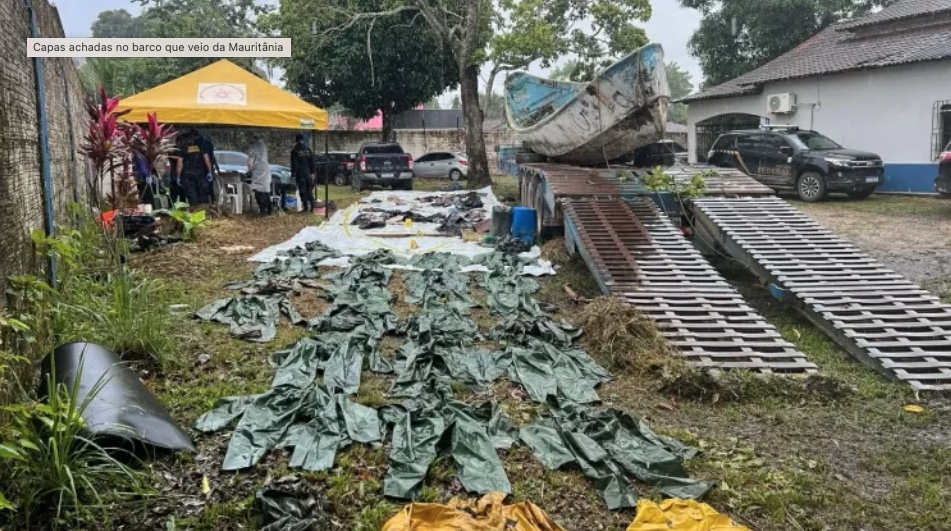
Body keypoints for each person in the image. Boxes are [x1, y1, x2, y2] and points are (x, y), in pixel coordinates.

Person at [174, 130, 213, 205]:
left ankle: (195, 211)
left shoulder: (183, 147)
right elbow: (207, 160)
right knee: (202, 196)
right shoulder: (201, 146)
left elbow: (179, 163)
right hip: (200, 174)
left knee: (192, 197)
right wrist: (209, 172)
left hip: (187, 176)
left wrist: (178, 176)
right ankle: (203, 212)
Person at [290, 133, 315, 213]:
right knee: (309, 189)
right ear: (302, 140)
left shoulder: (295, 151)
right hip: (308, 173)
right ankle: (312, 204)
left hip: (300, 174)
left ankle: (305, 207)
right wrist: (313, 172)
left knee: (302, 190)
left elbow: (294, 164)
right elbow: (312, 162)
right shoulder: (308, 150)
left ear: (296, 140)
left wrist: (293, 175)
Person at [248, 136, 272, 215]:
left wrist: (250, 169)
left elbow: (250, 161)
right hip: (266, 168)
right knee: (266, 189)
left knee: (257, 189)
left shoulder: (253, 147)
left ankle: (262, 209)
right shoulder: (263, 145)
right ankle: (269, 208)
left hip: (257, 169)